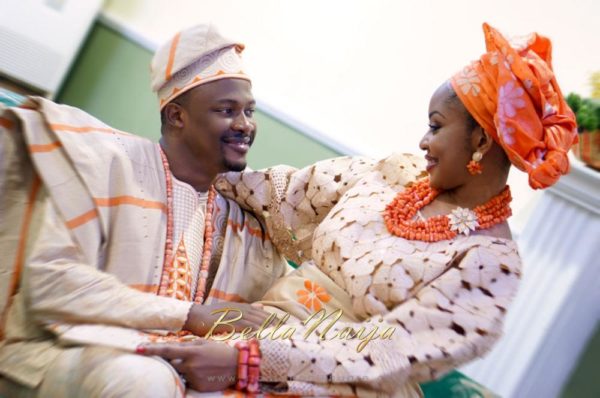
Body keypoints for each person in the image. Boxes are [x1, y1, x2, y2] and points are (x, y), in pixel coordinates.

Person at [141, 23, 578, 397]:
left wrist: (246, 361)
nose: (423, 141)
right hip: (256, 332)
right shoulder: (396, 174)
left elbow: (387, 354)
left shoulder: (490, 263)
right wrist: (202, 167)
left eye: (436, 126)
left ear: (481, 141)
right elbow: (288, 194)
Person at [0, 24, 290, 397]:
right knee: (142, 380)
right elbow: (52, 284)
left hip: (178, 370)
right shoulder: (103, 164)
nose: (245, 125)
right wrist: (188, 315)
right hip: (74, 354)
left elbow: (282, 306)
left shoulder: (247, 221)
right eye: (226, 110)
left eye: (249, 111)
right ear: (176, 116)